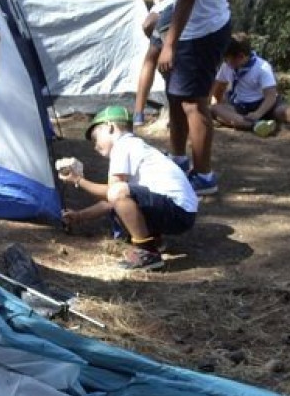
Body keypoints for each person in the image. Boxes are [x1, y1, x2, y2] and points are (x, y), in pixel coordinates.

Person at [59, 106, 198, 272]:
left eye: (96, 138)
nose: (95, 146)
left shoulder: (123, 146)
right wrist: (80, 216)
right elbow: (112, 202)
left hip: (176, 210)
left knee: (118, 192)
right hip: (182, 212)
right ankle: (154, 241)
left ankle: (147, 252)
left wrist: (78, 180)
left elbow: (113, 193)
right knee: (120, 196)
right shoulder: (135, 146)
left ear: (110, 127)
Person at [157, 0, 231, 196]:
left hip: (199, 32)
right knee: (177, 98)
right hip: (204, 28)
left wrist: (169, 44)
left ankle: (203, 175)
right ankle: (178, 159)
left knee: (192, 103)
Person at [133, 0, 175, 127]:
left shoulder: (167, 0)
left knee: (151, 60)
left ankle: (139, 112)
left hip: (171, 13)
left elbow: (147, 24)